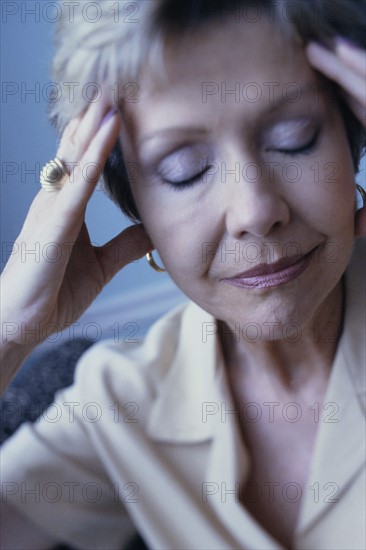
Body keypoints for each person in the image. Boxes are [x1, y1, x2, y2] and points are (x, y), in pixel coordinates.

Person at [1, 0, 365, 548]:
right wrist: (10, 329)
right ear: (137, 207)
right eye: (184, 170)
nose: (254, 210)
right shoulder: (120, 401)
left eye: (294, 137)